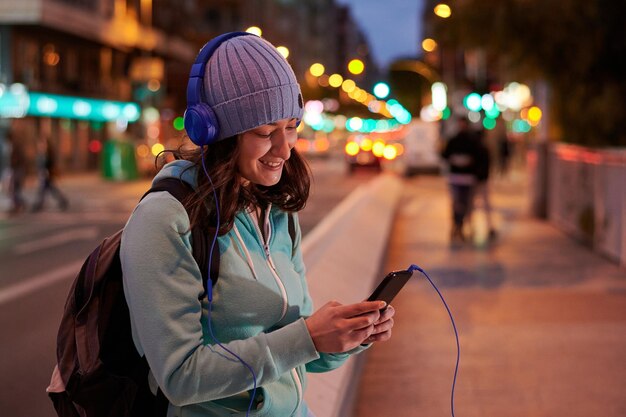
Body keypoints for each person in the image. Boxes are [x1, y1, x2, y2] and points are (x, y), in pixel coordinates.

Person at [120, 32, 395, 417]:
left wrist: (349, 335)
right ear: (215, 132)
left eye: (291, 127)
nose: (285, 149)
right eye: (265, 133)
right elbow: (180, 377)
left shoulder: (277, 210)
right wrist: (308, 337)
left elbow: (298, 351)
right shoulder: (165, 220)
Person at [441, 117, 481, 242]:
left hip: (468, 178)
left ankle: (460, 226)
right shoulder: (453, 140)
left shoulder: (472, 140)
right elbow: (445, 154)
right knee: (457, 203)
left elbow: (478, 157)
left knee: (465, 204)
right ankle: (457, 226)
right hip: (456, 177)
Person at [471, 129, 497, 240]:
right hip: (481, 180)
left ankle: (472, 227)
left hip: (476, 180)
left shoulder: (475, 150)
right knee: (485, 205)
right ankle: (487, 227)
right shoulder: (484, 149)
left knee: (471, 205)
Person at [32, 137, 68, 211]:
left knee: (44, 190)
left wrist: (48, 172)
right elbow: (39, 165)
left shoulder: (48, 154)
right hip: (43, 175)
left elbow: (50, 165)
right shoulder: (40, 154)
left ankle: (39, 204)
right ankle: (62, 201)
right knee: (50, 190)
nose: (41, 145)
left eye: (43, 144)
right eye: (40, 144)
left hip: (47, 175)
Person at [7, 130, 27, 214]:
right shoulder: (14, 146)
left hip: (17, 170)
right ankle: (18, 204)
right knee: (15, 190)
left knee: (14, 189)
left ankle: (19, 204)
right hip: (17, 170)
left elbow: (18, 160)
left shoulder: (15, 147)